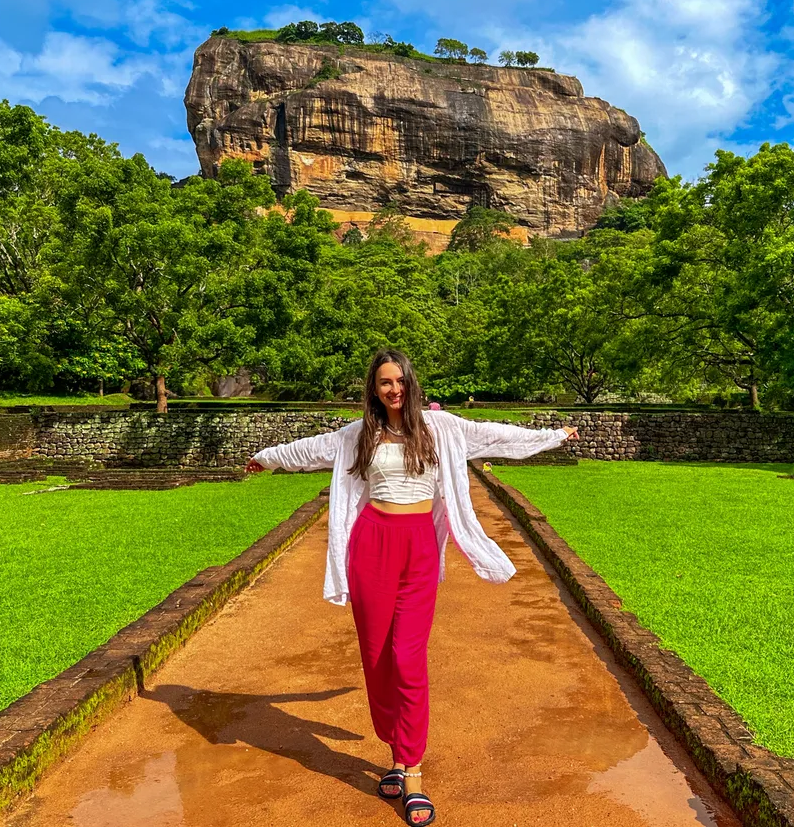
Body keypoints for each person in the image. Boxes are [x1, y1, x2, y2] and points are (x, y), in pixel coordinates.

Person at [245, 349, 577, 826]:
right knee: (377, 658)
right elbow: (308, 450)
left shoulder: (441, 428)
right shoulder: (359, 434)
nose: (393, 389)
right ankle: (396, 755)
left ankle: (413, 771)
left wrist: (551, 437)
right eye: (384, 383)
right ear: (374, 389)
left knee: (407, 656)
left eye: (399, 381)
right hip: (371, 547)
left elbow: (497, 436)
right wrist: (266, 459)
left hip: (418, 548)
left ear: (410, 383)